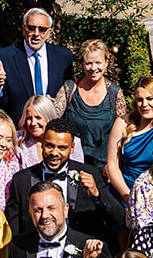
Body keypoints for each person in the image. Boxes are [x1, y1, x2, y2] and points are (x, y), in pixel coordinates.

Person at [6, 118, 122, 244]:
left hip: (80, 255)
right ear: (42, 144)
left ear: (72, 148)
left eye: (62, 148)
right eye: (50, 146)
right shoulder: (21, 180)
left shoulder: (90, 173)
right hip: (36, 253)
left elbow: (117, 216)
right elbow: (14, 230)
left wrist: (97, 195)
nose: (54, 153)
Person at [53, 39, 125, 168]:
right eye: (89, 63)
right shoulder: (69, 88)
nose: (93, 68)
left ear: (106, 62)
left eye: (98, 63)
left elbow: (123, 133)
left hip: (105, 168)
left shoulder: (115, 93)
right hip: (72, 165)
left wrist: (114, 166)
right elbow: (52, 119)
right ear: (81, 64)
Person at [0, 8, 75, 123]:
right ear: (23, 30)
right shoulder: (6, 57)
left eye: (42, 29)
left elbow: (70, 94)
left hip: (53, 128)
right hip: (21, 130)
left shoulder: (63, 57)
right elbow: (0, 104)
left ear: (49, 33)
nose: (36, 34)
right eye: (31, 28)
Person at [103, 77, 153, 213]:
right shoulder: (122, 123)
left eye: (150, 99)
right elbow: (112, 165)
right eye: (140, 99)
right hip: (123, 193)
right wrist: (127, 196)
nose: (144, 104)